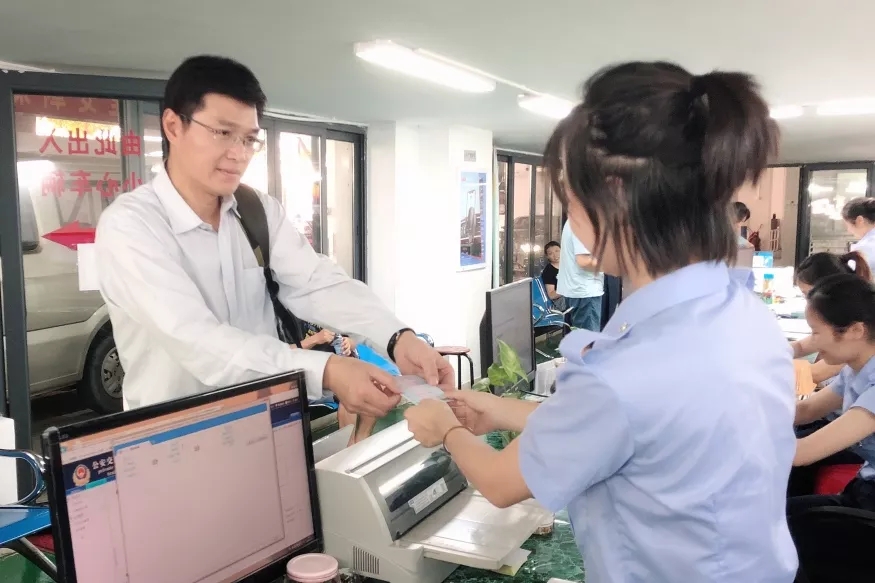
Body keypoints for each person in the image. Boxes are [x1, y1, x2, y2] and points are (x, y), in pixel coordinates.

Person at [404, 61, 797, 583]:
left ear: (613, 197)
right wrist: (499, 411)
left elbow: (500, 483)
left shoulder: (629, 368)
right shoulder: (738, 310)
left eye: (570, 200)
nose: (570, 220)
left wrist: (446, 428)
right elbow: (637, 430)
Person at [94, 55, 452, 414]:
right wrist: (327, 370)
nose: (238, 154)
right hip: (175, 436)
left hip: (270, 424)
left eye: (249, 139)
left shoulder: (256, 211)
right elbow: (199, 342)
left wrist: (397, 337)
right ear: (174, 126)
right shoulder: (132, 227)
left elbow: (316, 284)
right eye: (222, 133)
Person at [787, 274, 875, 580]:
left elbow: (802, 453)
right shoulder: (857, 368)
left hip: (870, 500)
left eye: (816, 333)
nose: (812, 344)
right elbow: (807, 409)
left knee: (782, 528)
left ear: (855, 331)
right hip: (863, 489)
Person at [791, 251, 872, 386]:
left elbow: (815, 373)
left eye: (809, 294)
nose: (808, 302)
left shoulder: (852, 343)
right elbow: (801, 346)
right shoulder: (845, 320)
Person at [557, 221, 603, 331]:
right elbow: (584, 261)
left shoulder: (575, 220)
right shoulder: (583, 223)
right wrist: (616, 265)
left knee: (579, 336)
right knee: (588, 339)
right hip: (585, 292)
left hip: (578, 291)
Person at [843, 197, 875, 274]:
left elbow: (852, 278)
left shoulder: (863, 249)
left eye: (848, 225)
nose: (849, 230)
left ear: (859, 220)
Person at [539, 241, 565, 310]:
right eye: (550, 253)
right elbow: (551, 295)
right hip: (560, 301)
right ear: (547, 256)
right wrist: (569, 289)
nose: (555, 255)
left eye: (557, 251)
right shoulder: (549, 271)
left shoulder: (568, 265)